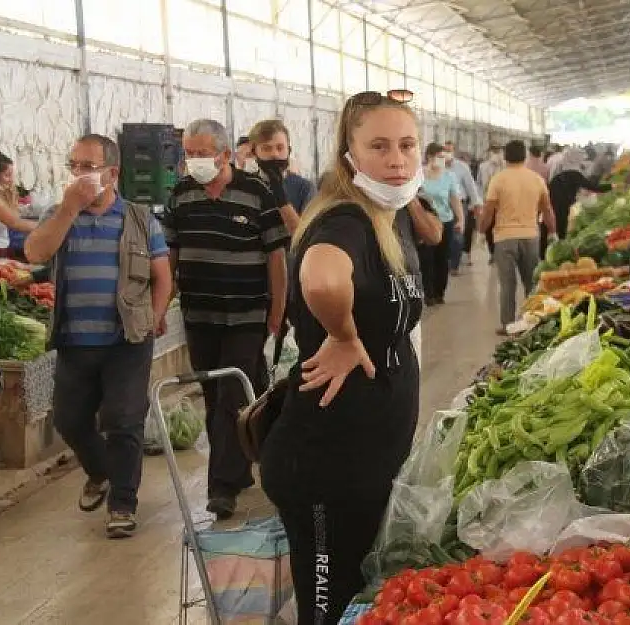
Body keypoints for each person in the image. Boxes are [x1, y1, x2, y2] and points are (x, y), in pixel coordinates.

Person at [260, 88, 441, 625]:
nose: (396, 159)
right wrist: (341, 334)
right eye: (379, 146)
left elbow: (432, 235)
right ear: (349, 155)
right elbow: (320, 276)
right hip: (324, 465)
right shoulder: (346, 220)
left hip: (369, 457)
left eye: (407, 146)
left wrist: (406, 194)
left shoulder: (389, 214)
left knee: (360, 590)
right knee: (327, 602)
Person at [24, 134, 172, 538]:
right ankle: (100, 472)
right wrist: (70, 207)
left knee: (124, 420)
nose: (79, 174)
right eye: (74, 166)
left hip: (127, 339)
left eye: (88, 166)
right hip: (74, 340)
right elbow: (35, 254)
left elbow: (162, 275)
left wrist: (156, 316)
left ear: (112, 173)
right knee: (71, 421)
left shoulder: (140, 219)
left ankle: (123, 504)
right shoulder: (60, 214)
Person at [164, 118, 290, 520]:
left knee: (231, 395)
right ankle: (244, 467)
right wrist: (163, 304)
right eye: (189, 154)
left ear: (223, 154)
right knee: (217, 397)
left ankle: (221, 487)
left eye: (202, 153)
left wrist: (277, 310)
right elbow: (171, 255)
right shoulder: (181, 195)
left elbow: (276, 257)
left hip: (246, 313)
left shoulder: (255, 193)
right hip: (200, 315)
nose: (195, 161)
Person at [481, 140, 556, 335]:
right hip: (531, 236)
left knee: (507, 284)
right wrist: (553, 231)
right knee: (531, 282)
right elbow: (547, 209)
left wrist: (482, 230)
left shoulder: (498, 179)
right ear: (525, 156)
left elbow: (488, 209)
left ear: (505, 157)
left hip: (504, 238)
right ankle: (533, 320)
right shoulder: (536, 179)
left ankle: (508, 325)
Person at [418, 142, 463, 305]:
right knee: (426, 258)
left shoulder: (449, 176)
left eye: (444, 157)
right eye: (439, 157)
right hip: (426, 223)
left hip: (446, 222)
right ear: (430, 157)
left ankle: (439, 292)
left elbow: (454, 199)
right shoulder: (419, 175)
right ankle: (428, 293)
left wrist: (461, 219)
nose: (442, 160)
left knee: (442, 259)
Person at [249, 119, 317, 216]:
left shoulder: (305, 188)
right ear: (254, 152)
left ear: (289, 150)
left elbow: (309, 229)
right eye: (266, 148)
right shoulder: (247, 185)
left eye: (280, 148)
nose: (275, 154)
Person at [549, 148, 608, 240]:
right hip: (563, 205)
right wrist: (611, 186)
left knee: (557, 228)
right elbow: (593, 187)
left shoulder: (559, 174)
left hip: (554, 204)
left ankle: (556, 241)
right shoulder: (575, 174)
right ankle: (561, 242)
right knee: (562, 229)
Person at [442, 141, 482, 271]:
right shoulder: (437, 165)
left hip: (459, 203)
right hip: (441, 204)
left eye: (449, 151)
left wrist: (476, 203)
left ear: (454, 152)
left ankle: (454, 265)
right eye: (444, 150)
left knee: (457, 234)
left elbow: (471, 186)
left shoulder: (462, 167)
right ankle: (446, 260)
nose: (446, 153)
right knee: (443, 234)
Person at [0, 151, 36, 258]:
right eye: (7, 175)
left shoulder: (1, 196)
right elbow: (16, 223)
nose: (11, 180)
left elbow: (15, 216)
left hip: (2, 246)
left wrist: (11, 197)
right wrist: (50, 226)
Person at [476, 145, 504, 261]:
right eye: (494, 152)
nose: (497, 154)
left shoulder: (506, 166)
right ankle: (492, 252)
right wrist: (479, 201)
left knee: (501, 228)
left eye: (499, 152)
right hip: (488, 200)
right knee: (488, 227)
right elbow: (479, 183)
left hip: (503, 203)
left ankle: (500, 252)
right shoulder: (483, 167)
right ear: (490, 153)